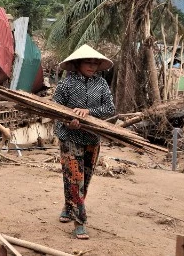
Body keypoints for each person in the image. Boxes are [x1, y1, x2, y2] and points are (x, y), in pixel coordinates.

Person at [52, 44, 115, 240]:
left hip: (92, 137)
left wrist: (89, 113)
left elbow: (109, 108)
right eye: (89, 62)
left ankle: (69, 206)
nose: (93, 66)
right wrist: (68, 120)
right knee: (74, 178)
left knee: (85, 179)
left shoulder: (101, 84)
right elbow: (54, 109)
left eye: (96, 63)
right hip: (69, 137)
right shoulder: (66, 84)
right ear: (78, 63)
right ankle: (80, 222)